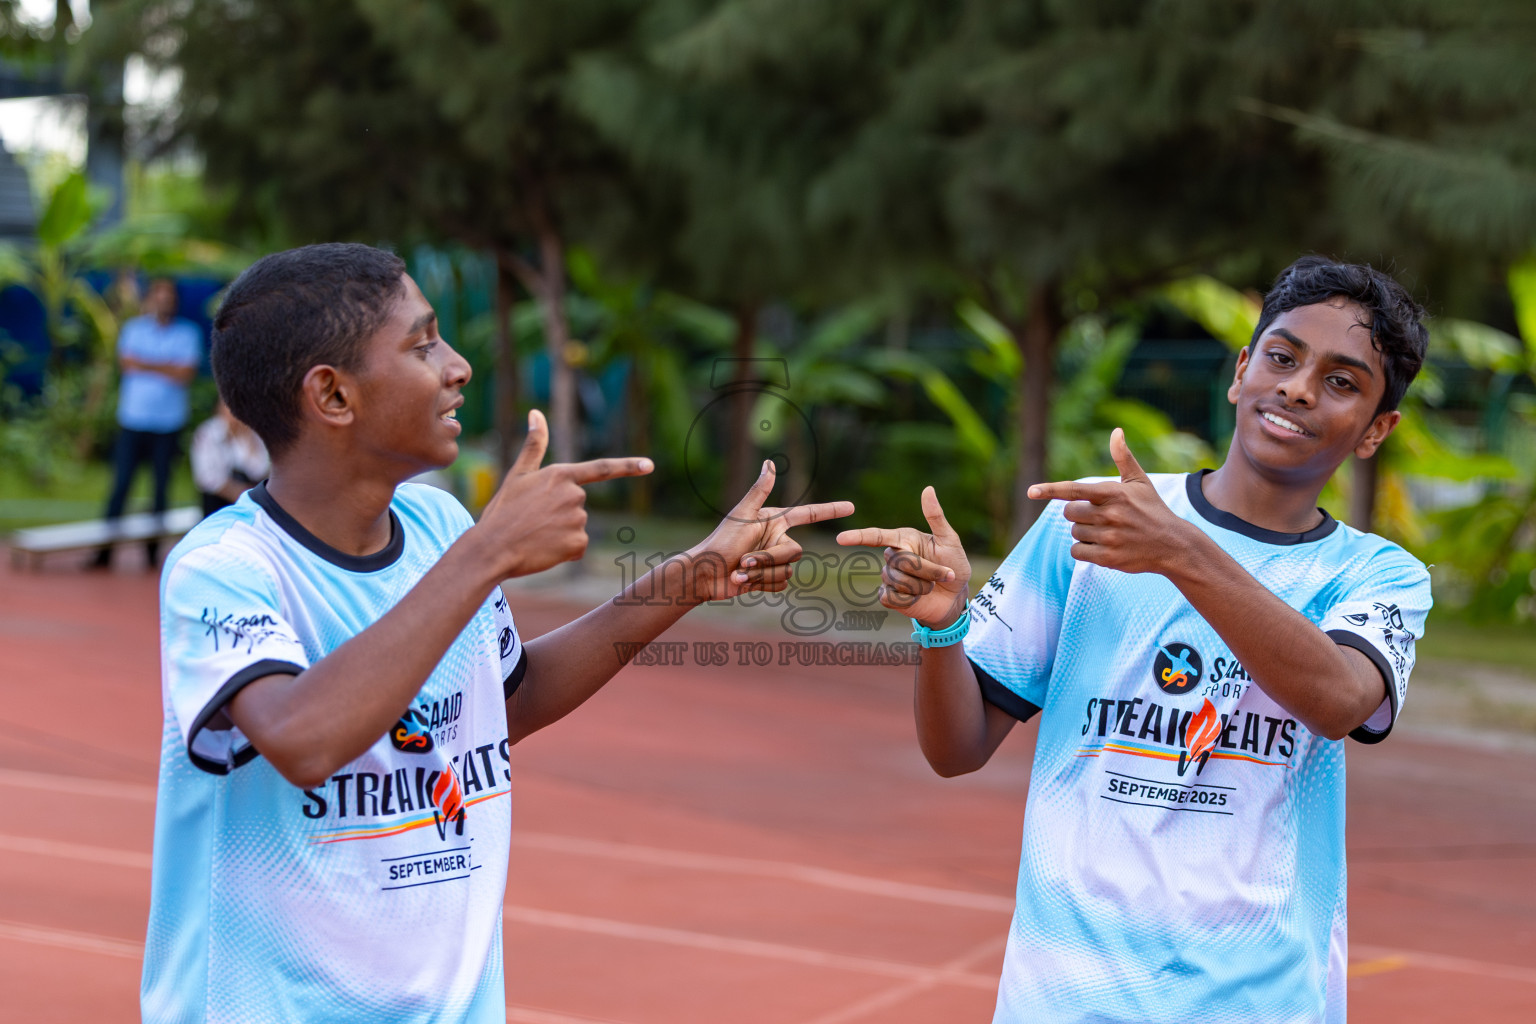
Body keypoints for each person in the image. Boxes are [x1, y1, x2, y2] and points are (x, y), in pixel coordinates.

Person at [141, 243, 853, 1023]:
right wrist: (487, 553)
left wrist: (687, 580)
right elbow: (300, 738)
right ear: (332, 396)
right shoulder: (225, 567)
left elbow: (506, 700)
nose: (458, 366)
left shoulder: (439, 525)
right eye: (422, 345)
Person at [839, 256, 1431, 1023]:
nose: (1298, 388)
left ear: (1376, 430)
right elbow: (955, 750)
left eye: (1342, 381)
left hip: (1259, 1004)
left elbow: (1340, 699)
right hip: (1062, 1000)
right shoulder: (1088, 528)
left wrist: (1179, 552)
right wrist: (942, 624)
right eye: (1282, 358)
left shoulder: (1376, 575)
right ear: (1242, 369)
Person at [92, 277, 203, 568]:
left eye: (168, 296)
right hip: (133, 421)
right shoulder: (133, 329)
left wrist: (147, 364)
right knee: (120, 487)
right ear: (151, 298)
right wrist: (167, 365)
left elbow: (185, 373)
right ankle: (104, 553)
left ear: (175, 301)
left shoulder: (188, 333)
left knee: (160, 490)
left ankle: (153, 557)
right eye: (159, 295)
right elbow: (128, 364)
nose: (163, 302)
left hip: (168, 425)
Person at [190, 399, 270, 515]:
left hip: (249, 493)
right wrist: (238, 493)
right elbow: (206, 477)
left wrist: (248, 441)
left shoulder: (254, 433)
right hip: (218, 498)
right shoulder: (207, 433)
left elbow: (260, 470)